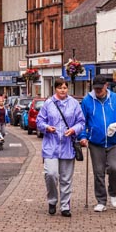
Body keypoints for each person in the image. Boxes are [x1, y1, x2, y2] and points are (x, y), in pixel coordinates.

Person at [79, 75, 116, 212]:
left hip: (113, 141)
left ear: (106, 86)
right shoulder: (87, 101)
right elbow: (82, 120)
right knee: (98, 172)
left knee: (114, 168)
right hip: (95, 142)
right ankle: (101, 200)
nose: (98, 91)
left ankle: (113, 193)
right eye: (96, 89)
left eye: (100, 88)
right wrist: (83, 136)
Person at [37, 78, 85, 217]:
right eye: (60, 88)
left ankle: (65, 206)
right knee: (51, 174)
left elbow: (81, 122)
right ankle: (52, 200)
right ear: (55, 89)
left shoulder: (74, 104)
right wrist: (47, 127)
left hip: (67, 146)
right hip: (50, 146)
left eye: (65, 87)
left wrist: (74, 130)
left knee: (66, 178)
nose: (63, 90)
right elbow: (40, 121)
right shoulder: (48, 103)